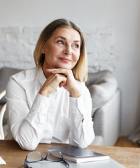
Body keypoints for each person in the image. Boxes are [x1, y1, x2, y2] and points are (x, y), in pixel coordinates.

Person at [5, 18, 95, 151]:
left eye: (76, 45)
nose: (69, 51)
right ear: (43, 46)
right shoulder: (18, 83)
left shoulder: (81, 90)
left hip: (62, 161)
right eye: (60, 42)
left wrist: (75, 95)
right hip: (19, 158)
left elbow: (82, 143)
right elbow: (27, 143)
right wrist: (44, 92)